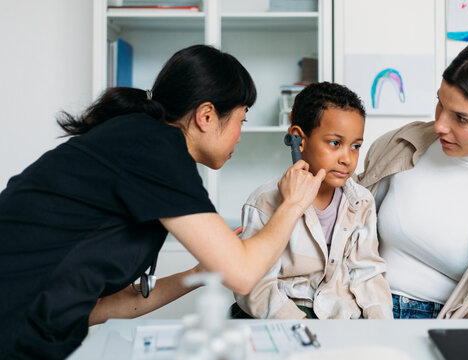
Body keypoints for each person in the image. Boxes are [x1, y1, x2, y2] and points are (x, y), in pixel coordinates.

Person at [0, 45, 325, 359]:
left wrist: (202, 270)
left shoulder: (142, 140)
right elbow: (242, 274)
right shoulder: (154, 148)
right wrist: (293, 204)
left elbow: (100, 308)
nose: (240, 133)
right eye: (242, 119)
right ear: (207, 116)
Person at [356, 38, 468, 319]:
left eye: (462, 119)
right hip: (359, 305)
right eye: (440, 104)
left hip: (449, 328)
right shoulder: (402, 144)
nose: (440, 125)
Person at [231, 82, 393, 320]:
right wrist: (302, 326)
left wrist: (380, 324)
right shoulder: (264, 202)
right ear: (298, 139)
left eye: (356, 146)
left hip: (339, 318)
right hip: (283, 315)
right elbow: (255, 286)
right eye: (335, 143)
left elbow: (367, 274)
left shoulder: (361, 202)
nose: (347, 159)